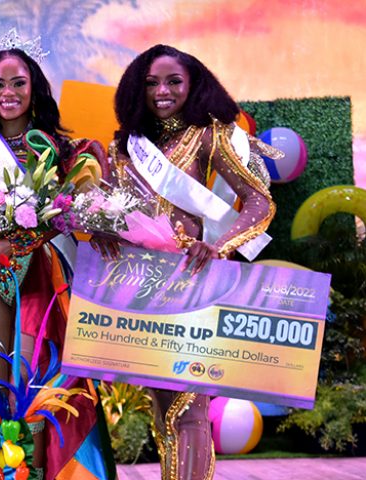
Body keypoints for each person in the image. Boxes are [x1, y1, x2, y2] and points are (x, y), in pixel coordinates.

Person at [0, 47, 115, 480]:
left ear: (34, 88)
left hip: (46, 278)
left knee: (39, 384)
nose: (8, 92)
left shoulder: (63, 148)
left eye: (18, 82)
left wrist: (14, 243)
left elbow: (74, 210)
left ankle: (40, 473)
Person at [107, 44, 277, 480]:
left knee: (189, 408)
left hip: (191, 285)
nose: (161, 91)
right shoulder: (125, 145)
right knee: (162, 409)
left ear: (192, 84)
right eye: (151, 83)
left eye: (173, 81)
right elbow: (110, 206)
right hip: (141, 287)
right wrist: (103, 229)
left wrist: (220, 246)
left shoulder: (208, 134)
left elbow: (259, 201)